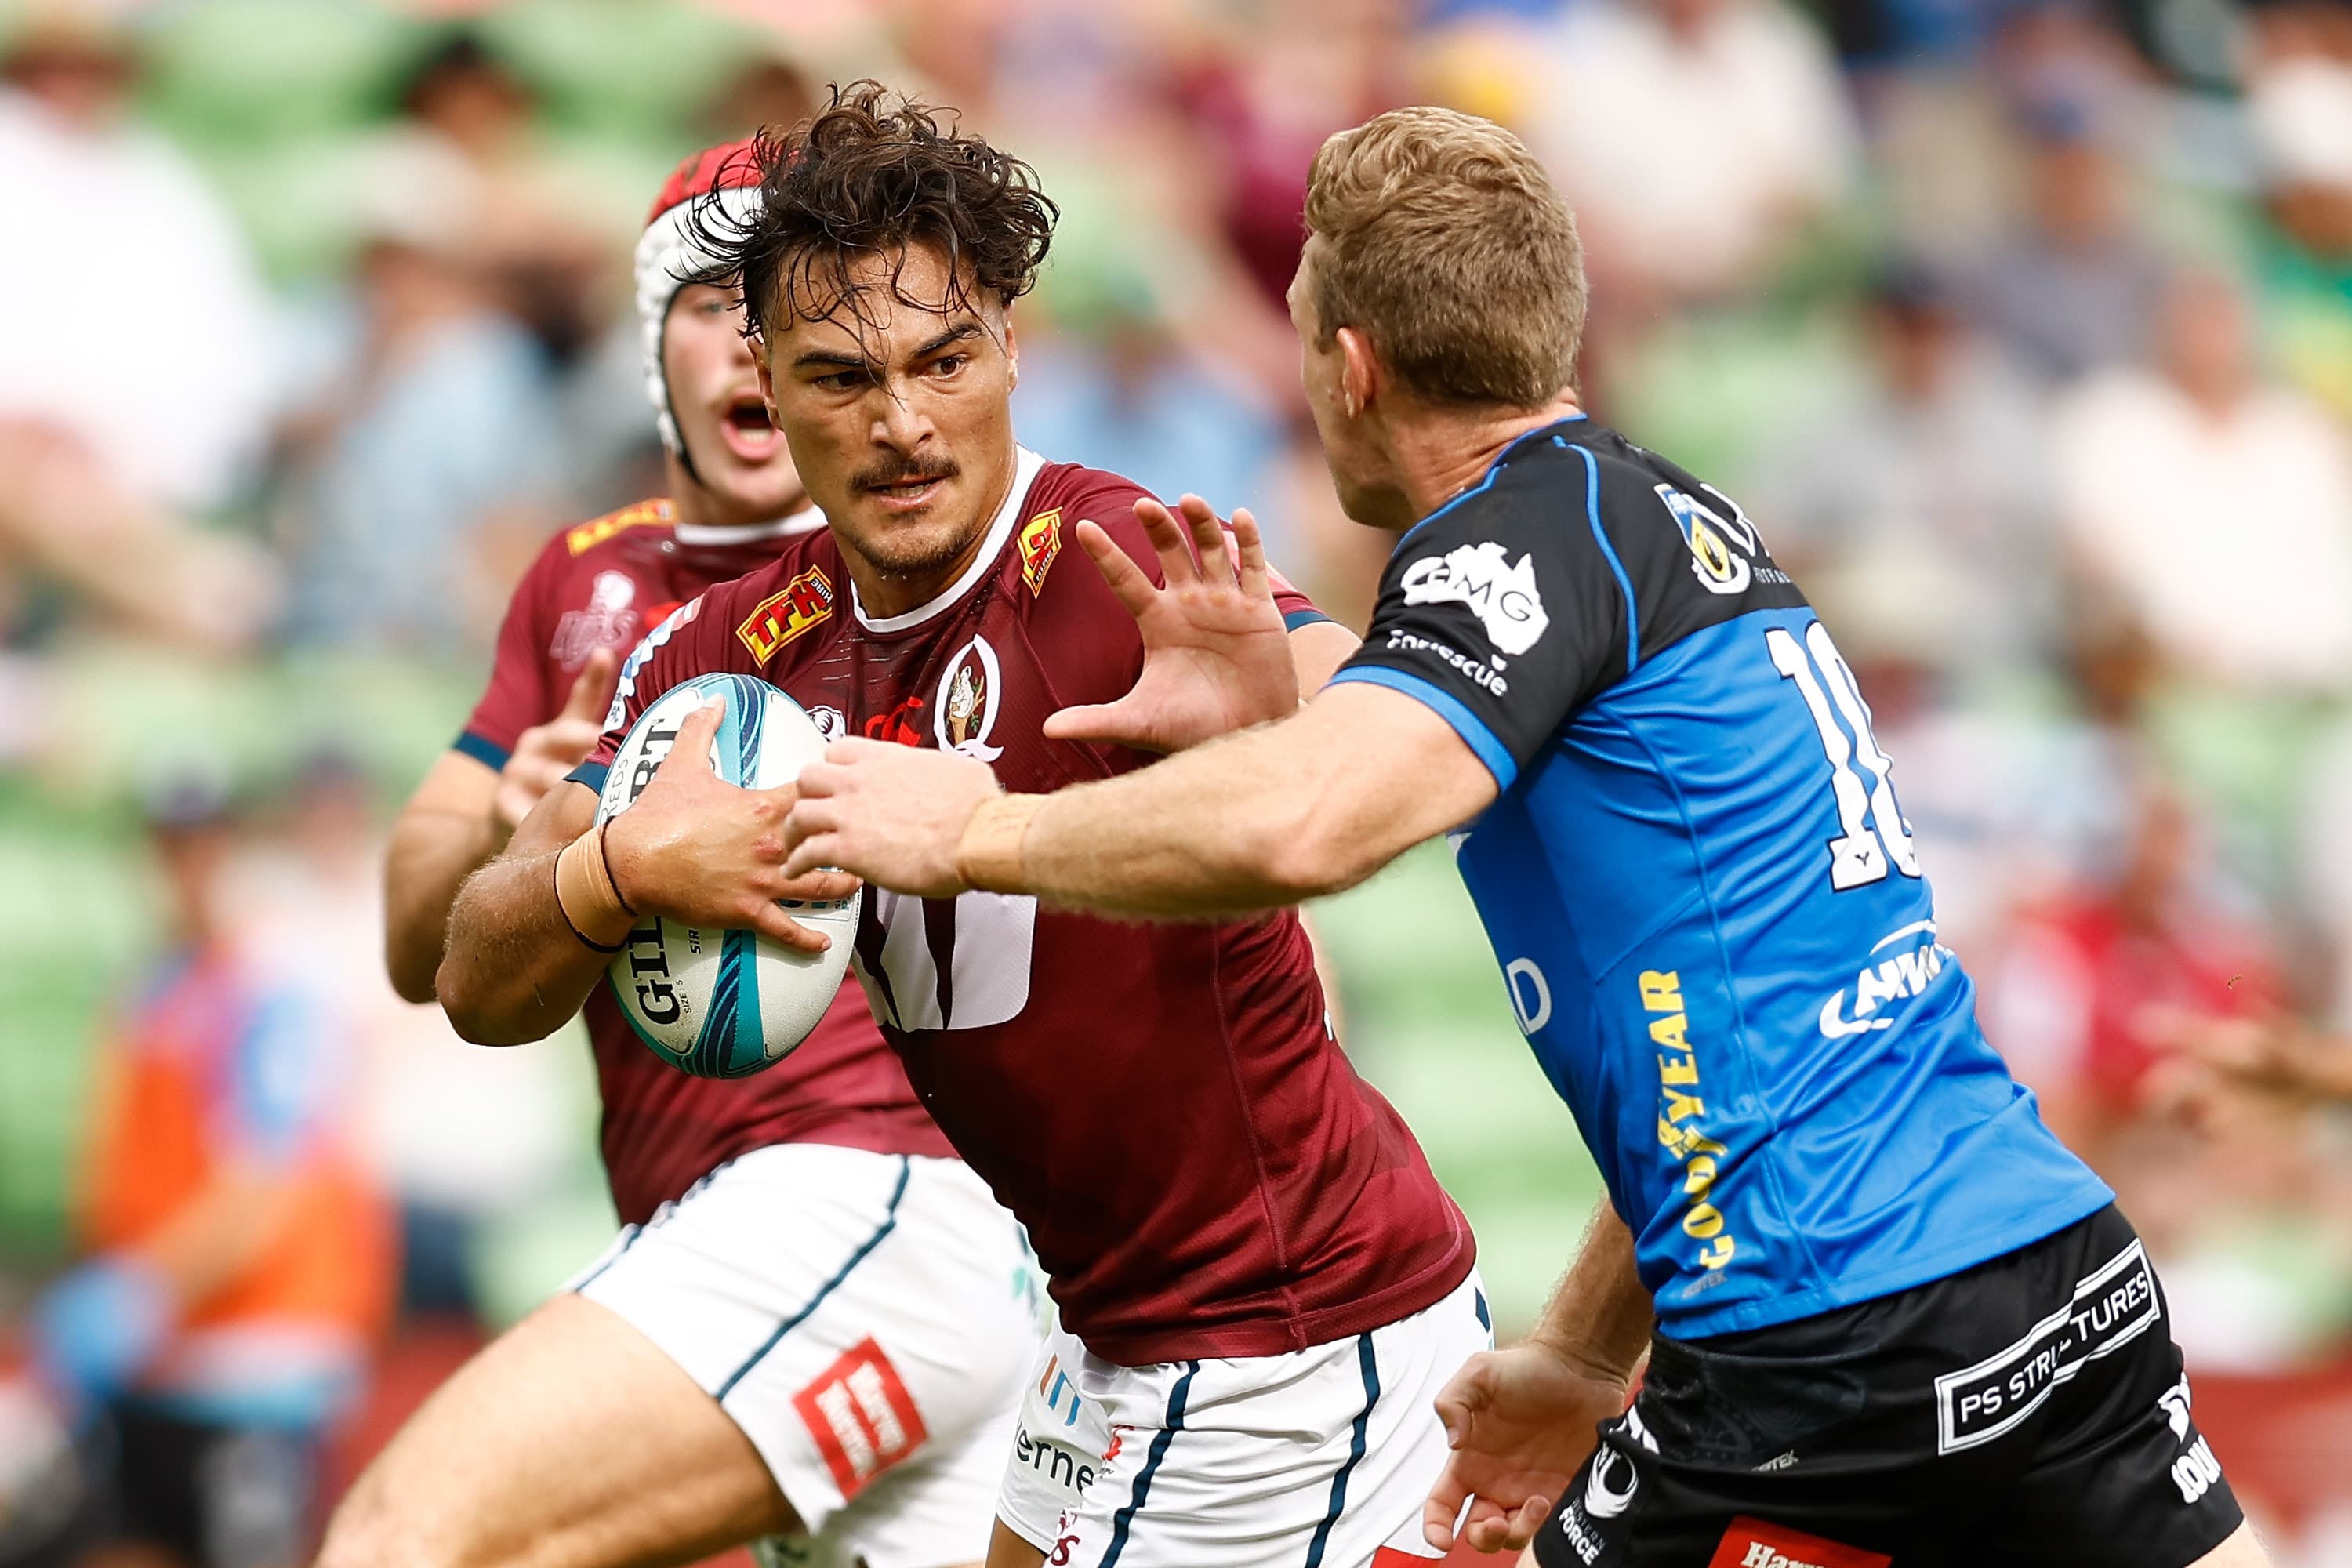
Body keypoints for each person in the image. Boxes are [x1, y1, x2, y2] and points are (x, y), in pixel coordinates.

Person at [775, 105, 2267, 1568]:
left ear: (1350, 367)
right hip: (2053, 1273)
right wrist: (1574, 1351)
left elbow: (1315, 826)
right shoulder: (1661, 514)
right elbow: (1728, 1038)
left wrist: (972, 826)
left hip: (1821, 1343)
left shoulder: (1510, 547)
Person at [437, 85, 1487, 1568]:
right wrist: (617, 869)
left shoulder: (1112, 556)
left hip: (1290, 1344)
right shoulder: (726, 659)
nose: (904, 422)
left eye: (944, 359)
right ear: (773, 396)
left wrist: (1275, 717)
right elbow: (482, 973)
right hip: (1103, 1336)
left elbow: (1381, 741)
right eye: (840, 377)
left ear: (1010, 348)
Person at [328, 142, 1037, 1568]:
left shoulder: (938, 562)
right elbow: (424, 951)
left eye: (800, 324)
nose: (757, 345)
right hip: (817, 1246)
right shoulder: (590, 586)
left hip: (868, 1195)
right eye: (716, 301)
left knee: (411, 1541)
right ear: (661, 350)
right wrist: (520, 821)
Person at [33, 774, 393, 1568]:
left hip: (259, 1353)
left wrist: (137, 1288)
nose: (190, 866)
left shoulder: (275, 984)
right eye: (171, 844)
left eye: (208, 843)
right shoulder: (155, 985)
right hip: (162, 1360)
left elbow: (265, 1188)